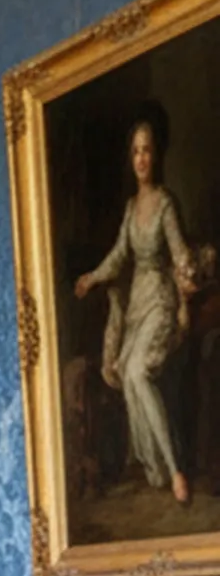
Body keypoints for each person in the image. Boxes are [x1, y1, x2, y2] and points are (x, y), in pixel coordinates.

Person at [74, 109, 197, 504]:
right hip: (137, 303)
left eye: (147, 150)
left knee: (140, 371)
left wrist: (187, 278)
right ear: (131, 159)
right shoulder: (130, 208)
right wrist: (92, 276)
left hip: (160, 298)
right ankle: (154, 466)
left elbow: (179, 253)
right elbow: (118, 254)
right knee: (126, 373)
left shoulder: (165, 204)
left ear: (156, 154)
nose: (142, 158)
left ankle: (174, 467)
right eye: (135, 152)